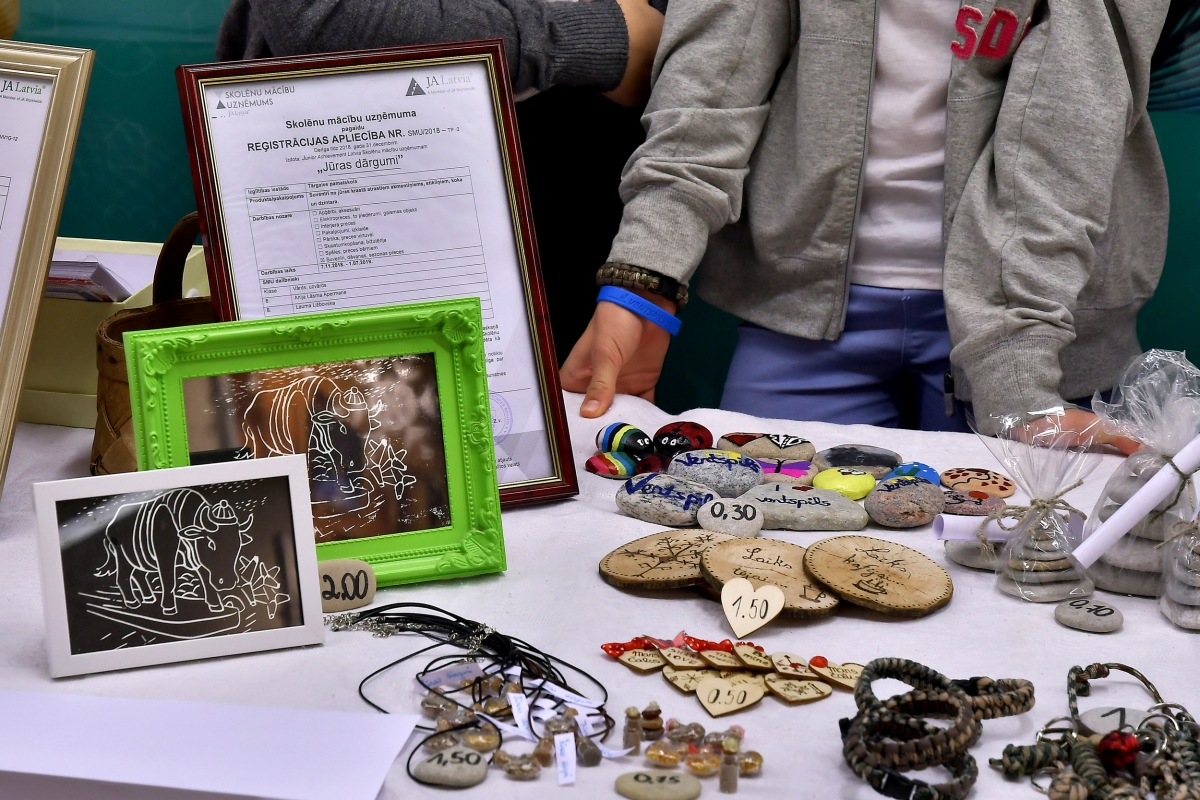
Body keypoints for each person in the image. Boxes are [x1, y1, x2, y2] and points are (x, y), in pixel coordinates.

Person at [560, 0, 1168, 453]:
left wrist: (1018, 376)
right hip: (801, 313)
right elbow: (713, 81)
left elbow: (1070, 123)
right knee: (751, 548)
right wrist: (647, 278)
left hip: (1044, 327)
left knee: (1018, 565)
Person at [216, 0, 665, 361]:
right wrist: (590, 37)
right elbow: (322, 20)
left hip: (588, 171)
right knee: (347, 412)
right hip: (348, 149)